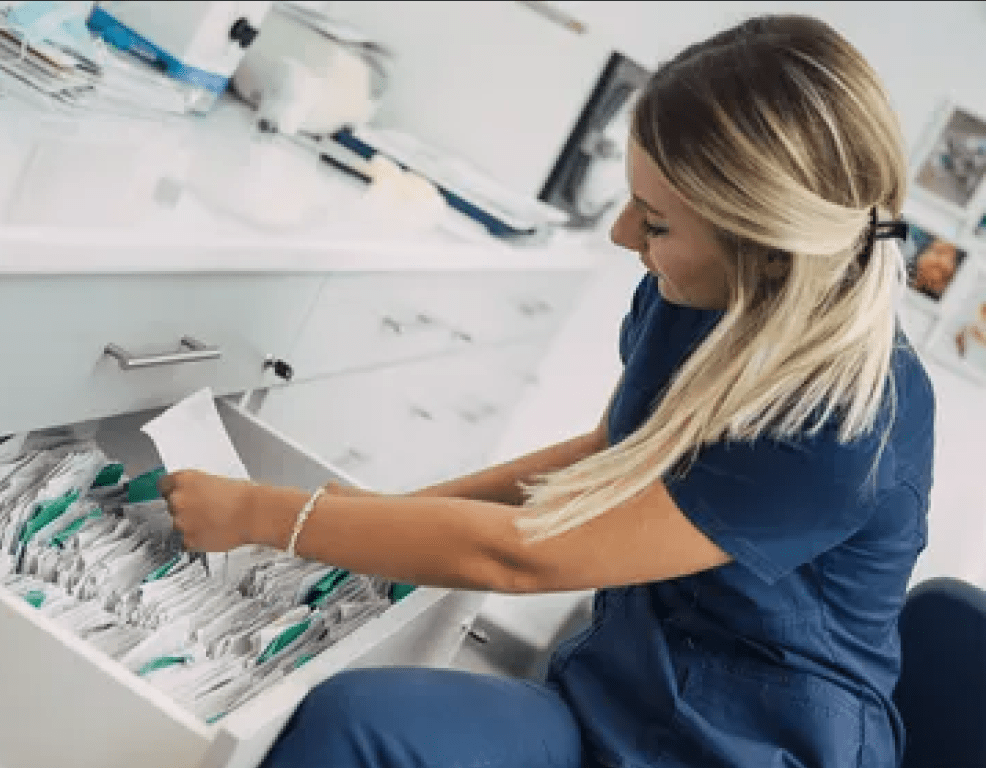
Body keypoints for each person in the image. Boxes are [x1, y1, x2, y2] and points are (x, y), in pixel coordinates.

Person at [159, 13, 935, 768]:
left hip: (754, 746)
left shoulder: (848, 422)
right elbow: (604, 460)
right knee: (360, 722)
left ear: (763, 244)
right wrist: (369, 522)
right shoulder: (691, 297)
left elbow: (523, 560)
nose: (622, 234)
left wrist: (271, 517)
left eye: (656, 222)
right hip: (622, 698)